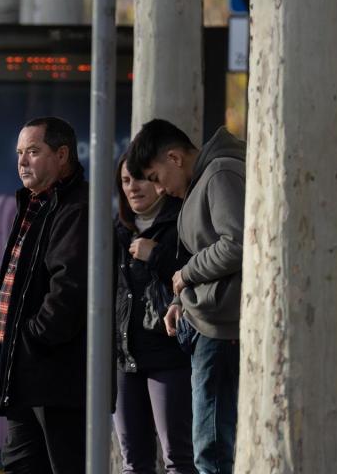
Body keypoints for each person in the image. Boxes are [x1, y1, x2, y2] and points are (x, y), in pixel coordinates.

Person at [127, 119, 246, 474]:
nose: (158, 190)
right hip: (209, 322)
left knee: (209, 446)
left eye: (155, 177)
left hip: (221, 328)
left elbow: (236, 243)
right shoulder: (203, 181)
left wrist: (186, 274)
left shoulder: (220, 173)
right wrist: (180, 301)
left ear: (175, 158)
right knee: (206, 443)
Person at [0, 116, 89, 474]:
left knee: (63, 464)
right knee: (19, 464)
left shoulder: (75, 207)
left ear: (62, 155)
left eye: (33, 151)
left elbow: (70, 288)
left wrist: (32, 337)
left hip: (54, 377)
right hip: (24, 373)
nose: (22, 161)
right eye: (19, 153)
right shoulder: (34, 204)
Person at [113, 153, 195, 474]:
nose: (133, 188)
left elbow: (192, 278)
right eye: (125, 181)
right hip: (125, 360)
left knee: (178, 458)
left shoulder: (182, 223)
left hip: (169, 356)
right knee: (133, 462)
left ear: (158, 180)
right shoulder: (117, 231)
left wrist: (155, 255)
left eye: (140, 178)